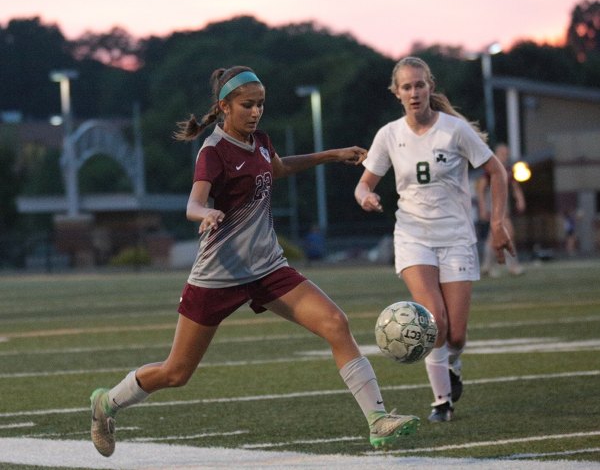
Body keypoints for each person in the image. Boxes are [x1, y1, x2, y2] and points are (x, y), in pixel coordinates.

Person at [89, 66, 420, 458]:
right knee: (176, 373)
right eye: (247, 105)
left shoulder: (260, 141)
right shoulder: (213, 151)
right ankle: (106, 404)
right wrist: (206, 214)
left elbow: (277, 169)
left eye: (261, 104)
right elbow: (194, 202)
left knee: (336, 323)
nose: (256, 112)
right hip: (218, 275)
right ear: (224, 106)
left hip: (268, 268)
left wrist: (333, 155)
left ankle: (377, 421)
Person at [354, 57, 515, 423]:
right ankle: (441, 402)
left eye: (419, 85)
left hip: (456, 236)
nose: (414, 92)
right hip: (412, 236)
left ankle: (453, 364)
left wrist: (499, 222)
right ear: (397, 93)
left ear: (430, 87)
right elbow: (365, 183)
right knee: (434, 322)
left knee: (456, 334)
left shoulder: (455, 130)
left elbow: (497, 171)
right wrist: (365, 196)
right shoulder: (389, 135)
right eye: (406, 87)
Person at [477, 143, 526, 277]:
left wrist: (520, 199)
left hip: (503, 205)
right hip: (494, 205)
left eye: (506, 154)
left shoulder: (508, 169)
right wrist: (482, 207)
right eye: (503, 154)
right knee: (508, 233)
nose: (505, 156)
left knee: (493, 237)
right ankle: (513, 266)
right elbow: (481, 189)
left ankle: (487, 266)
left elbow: (515, 186)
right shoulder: (490, 169)